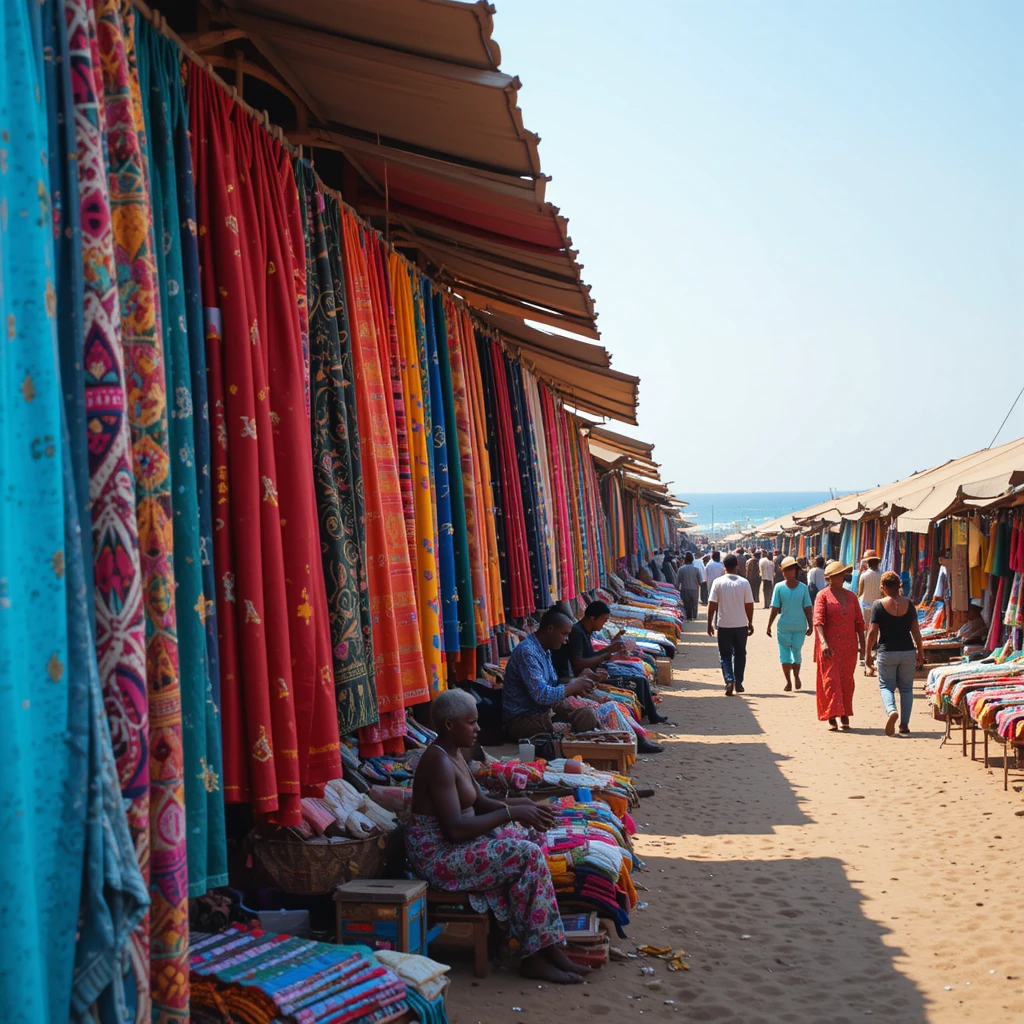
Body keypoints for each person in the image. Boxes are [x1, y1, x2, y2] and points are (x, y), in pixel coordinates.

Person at [408, 689, 586, 984]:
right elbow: (454, 830)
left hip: (458, 844)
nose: (478, 728)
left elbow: (480, 804)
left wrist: (525, 804)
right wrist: (511, 814)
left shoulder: (454, 754)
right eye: (471, 722)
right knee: (525, 854)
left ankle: (546, 946)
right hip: (438, 858)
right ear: (449, 724)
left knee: (531, 840)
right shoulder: (437, 762)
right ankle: (535, 955)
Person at [552, 600, 669, 735]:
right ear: (592, 618)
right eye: (604, 620)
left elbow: (588, 656)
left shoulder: (584, 631)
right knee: (638, 681)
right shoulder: (577, 633)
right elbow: (578, 663)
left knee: (640, 679)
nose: (604, 624)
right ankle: (649, 717)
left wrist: (609, 649)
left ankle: (650, 714)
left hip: (591, 673)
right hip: (585, 678)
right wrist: (606, 655)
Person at [502, 608, 598, 740]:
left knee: (588, 714)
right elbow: (541, 695)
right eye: (564, 634)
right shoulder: (527, 652)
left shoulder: (544, 650)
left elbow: (552, 685)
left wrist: (577, 681)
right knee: (572, 727)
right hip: (523, 720)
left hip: (543, 711)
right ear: (550, 629)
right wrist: (572, 687)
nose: (566, 640)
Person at [865, 571, 925, 735]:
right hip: (907, 651)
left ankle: (892, 711)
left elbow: (872, 632)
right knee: (906, 689)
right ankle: (904, 725)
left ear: (883, 587)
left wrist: (867, 654)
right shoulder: (909, 604)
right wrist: (920, 652)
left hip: (887, 652)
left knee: (886, 686)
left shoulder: (878, 605)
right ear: (899, 585)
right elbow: (916, 632)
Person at [813, 561, 866, 731]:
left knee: (847, 682)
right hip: (830, 647)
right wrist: (823, 642)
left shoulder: (851, 597)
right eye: (840, 575)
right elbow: (818, 620)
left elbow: (859, 622)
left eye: (843, 574)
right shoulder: (822, 596)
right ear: (831, 578)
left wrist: (863, 645)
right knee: (831, 681)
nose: (843, 577)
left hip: (849, 647)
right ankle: (832, 714)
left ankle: (844, 713)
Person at [707, 554, 755, 696]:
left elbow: (712, 604)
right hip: (741, 625)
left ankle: (729, 680)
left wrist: (709, 622)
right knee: (740, 653)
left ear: (724, 567)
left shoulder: (718, 582)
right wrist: (750, 622)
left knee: (725, 655)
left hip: (724, 625)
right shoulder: (744, 582)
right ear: (737, 566)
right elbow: (749, 605)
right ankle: (738, 682)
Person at [766, 556, 813, 691]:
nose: (790, 572)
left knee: (790, 653)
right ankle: (790, 679)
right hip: (788, 627)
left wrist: (811, 625)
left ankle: (793, 679)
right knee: (789, 653)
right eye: (787, 570)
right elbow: (774, 608)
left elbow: (808, 608)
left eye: (791, 570)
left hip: (793, 627)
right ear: (784, 572)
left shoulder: (797, 588)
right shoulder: (781, 587)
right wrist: (769, 624)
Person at [857, 551, 883, 676]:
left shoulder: (864, 575)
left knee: (867, 631)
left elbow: (860, 591)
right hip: (878, 605)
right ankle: (874, 654)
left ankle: (865, 653)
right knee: (877, 631)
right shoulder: (882, 575)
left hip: (865, 605)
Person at [677, 552, 702, 623]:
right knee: (694, 604)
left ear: (685, 560)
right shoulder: (696, 569)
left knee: (686, 604)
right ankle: (694, 617)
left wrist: (677, 589)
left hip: (684, 589)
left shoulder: (681, 569)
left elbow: (678, 581)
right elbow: (699, 581)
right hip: (694, 589)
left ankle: (688, 617)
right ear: (692, 560)